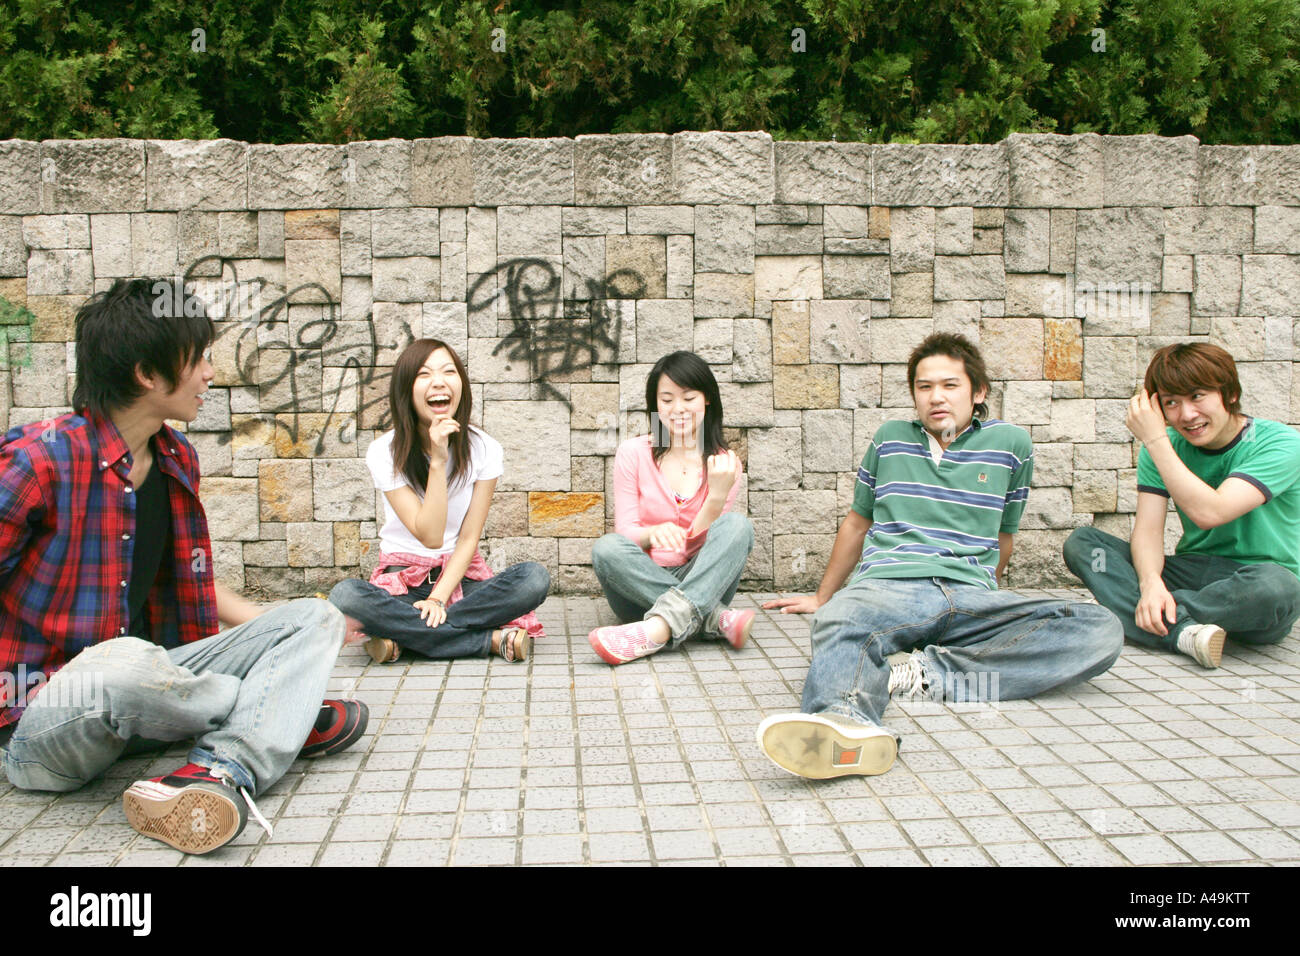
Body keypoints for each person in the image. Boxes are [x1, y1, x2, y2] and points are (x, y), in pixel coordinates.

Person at [0, 277, 365, 855]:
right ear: (148, 374)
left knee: (313, 619)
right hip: (42, 721)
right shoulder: (37, 461)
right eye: (199, 359)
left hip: (149, 685)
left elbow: (190, 580)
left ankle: (218, 770)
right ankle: (274, 714)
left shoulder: (174, 456)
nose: (209, 374)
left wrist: (291, 632)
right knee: (123, 663)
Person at [758, 333, 1123, 778]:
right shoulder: (889, 439)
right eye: (924, 387)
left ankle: (922, 672)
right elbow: (858, 522)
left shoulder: (1012, 446)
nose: (936, 397)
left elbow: (1004, 535)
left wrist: (989, 595)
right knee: (838, 620)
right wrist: (823, 596)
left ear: (979, 391)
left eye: (950, 385)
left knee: (1100, 628)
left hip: (971, 594)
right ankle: (844, 722)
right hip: (891, 586)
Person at [1064, 343, 1300, 669]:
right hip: (1194, 570)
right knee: (1085, 544)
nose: (1186, 415)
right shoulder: (1164, 446)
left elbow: (1211, 513)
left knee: (1279, 588)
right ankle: (1183, 631)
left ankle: (1132, 612)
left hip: (1256, 583)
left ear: (1229, 394)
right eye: (1171, 402)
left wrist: (1156, 440)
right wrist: (1149, 583)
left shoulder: (1279, 443)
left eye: (1198, 396)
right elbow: (1147, 530)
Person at [329, 338, 548, 664]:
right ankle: (486, 641)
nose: (439, 381)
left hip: (461, 583)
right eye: (424, 374)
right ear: (406, 389)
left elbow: (468, 538)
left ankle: (405, 639)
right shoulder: (384, 451)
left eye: (449, 371)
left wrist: (439, 599)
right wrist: (437, 458)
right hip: (403, 584)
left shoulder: (485, 449)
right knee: (346, 596)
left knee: (534, 579)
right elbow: (428, 534)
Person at [588, 350, 754, 665]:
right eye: (666, 400)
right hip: (637, 584)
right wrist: (652, 534)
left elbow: (699, 547)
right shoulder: (633, 453)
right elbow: (625, 535)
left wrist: (716, 497)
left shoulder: (724, 464)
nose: (677, 409)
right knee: (607, 548)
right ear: (655, 405)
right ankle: (713, 619)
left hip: (701, 575)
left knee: (737, 527)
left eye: (688, 398)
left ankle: (656, 628)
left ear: (707, 399)